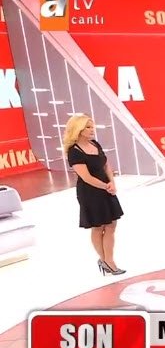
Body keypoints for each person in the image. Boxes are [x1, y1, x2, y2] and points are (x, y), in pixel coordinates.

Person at [63, 114, 125, 276]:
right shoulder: (74, 152)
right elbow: (86, 177)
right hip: (90, 193)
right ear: (78, 129)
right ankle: (107, 261)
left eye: (92, 126)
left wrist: (112, 182)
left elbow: (106, 165)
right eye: (88, 127)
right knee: (98, 226)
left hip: (106, 188)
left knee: (111, 225)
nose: (92, 130)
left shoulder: (95, 144)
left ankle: (107, 260)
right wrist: (106, 186)